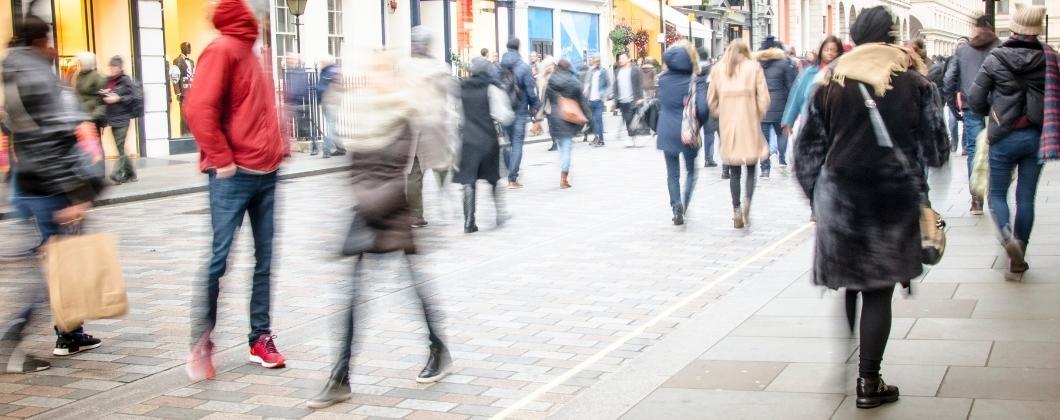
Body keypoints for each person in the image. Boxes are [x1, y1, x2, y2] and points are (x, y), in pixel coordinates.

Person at [795, 6, 949, 409]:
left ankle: (851, 357)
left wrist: (818, 196)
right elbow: (936, 150)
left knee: (851, 282)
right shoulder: (916, 83)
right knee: (878, 291)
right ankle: (868, 380)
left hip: (841, 199)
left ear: (854, 37)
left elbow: (806, 150)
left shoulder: (829, 81)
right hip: (891, 199)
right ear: (892, 35)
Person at [307, 50, 452, 409]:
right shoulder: (363, 114)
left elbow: (397, 171)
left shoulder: (404, 114)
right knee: (354, 297)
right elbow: (355, 167)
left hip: (391, 211)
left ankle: (438, 348)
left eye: (380, 71)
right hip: (367, 211)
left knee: (414, 289)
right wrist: (359, 200)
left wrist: (365, 203)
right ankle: (340, 376)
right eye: (370, 70)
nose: (373, 77)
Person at [183, 0, 289, 380]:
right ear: (247, 14)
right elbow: (198, 109)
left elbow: (260, 110)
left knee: (265, 261)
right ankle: (201, 341)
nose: (263, 18)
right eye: (260, 12)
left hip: (267, 172)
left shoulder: (253, 51)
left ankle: (260, 336)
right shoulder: (223, 49)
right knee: (220, 259)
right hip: (233, 174)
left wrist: (281, 146)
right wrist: (222, 158)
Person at [2, 15, 106, 373]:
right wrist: (76, 195)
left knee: (56, 264)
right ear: (40, 42)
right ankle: (14, 340)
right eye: (49, 42)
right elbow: (52, 142)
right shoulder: (37, 78)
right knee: (55, 271)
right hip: (47, 188)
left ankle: (71, 332)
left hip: (26, 184)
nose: (53, 49)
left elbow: (16, 131)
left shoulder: (13, 72)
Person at [967, 3, 1053, 275]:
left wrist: (989, 115)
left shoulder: (996, 57)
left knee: (996, 195)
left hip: (1004, 135)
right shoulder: (1050, 57)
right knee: (1026, 198)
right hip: (1036, 136)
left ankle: (1006, 238)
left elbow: (975, 99)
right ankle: (1021, 250)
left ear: (1014, 27)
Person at [708, 39, 770, 229]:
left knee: (734, 170)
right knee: (751, 167)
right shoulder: (754, 67)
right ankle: (748, 202)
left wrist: (722, 112)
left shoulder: (719, 69)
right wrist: (757, 114)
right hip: (749, 122)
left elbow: (711, 100)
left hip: (729, 125)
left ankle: (736, 209)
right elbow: (764, 98)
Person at [945, 15, 1000, 215]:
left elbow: (949, 80)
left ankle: (976, 199)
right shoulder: (1000, 48)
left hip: (971, 106)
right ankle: (996, 195)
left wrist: (953, 107)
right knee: (995, 148)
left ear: (974, 29)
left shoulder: (963, 51)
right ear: (991, 28)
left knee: (973, 149)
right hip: (997, 107)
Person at [455, 57, 515, 233]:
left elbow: (458, 115)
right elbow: (504, 115)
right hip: (487, 139)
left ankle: (468, 221)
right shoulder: (492, 88)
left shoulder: (462, 87)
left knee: (468, 181)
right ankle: (500, 214)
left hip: (467, 140)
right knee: (493, 177)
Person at [405, 26, 456, 229]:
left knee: (414, 172)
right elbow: (451, 92)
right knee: (442, 163)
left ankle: (415, 215)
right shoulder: (439, 68)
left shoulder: (403, 67)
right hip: (435, 125)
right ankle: (446, 196)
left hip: (412, 125)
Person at [657, 41, 706, 226]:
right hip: (688, 131)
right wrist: (700, 123)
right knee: (691, 171)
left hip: (666, 130)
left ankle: (675, 204)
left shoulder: (662, 80)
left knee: (672, 174)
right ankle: (684, 204)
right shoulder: (695, 80)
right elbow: (703, 108)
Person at [780, 36, 845, 137]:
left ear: (839, 52)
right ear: (821, 51)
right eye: (826, 50)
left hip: (836, 127)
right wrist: (789, 121)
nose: (830, 53)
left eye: (833, 50)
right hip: (810, 125)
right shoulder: (810, 72)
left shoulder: (844, 73)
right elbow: (797, 97)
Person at [500, 38, 540, 189]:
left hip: (504, 110)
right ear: (519, 47)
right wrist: (536, 105)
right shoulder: (523, 67)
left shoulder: (500, 66)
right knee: (517, 144)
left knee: (508, 142)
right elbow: (531, 91)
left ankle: (509, 164)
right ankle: (512, 178)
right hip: (519, 110)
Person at [756, 37, 797, 178]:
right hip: (780, 105)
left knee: (763, 139)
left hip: (762, 105)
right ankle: (782, 159)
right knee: (781, 134)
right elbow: (790, 86)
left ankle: (765, 169)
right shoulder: (784, 63)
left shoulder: (758, 64)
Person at [546, 59, 589, 189]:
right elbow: (582, 102)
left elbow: (546, 99)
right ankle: (563, 178)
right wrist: (589, 118)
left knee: (562, 146)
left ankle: (564, 166)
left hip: (554, 117)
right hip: (569, 118)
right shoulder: (574, 82)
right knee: (566, 148)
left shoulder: (551, 81)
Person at [103, 55, 140, 184]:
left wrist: (118, 98)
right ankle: (131, 173)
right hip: (112, 118)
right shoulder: (109, 81)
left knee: (119, 146)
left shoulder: (125, 80)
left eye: (115, 67)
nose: (112, 70)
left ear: (120, 68)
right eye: (111, 67)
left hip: (123, 118)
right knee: (120, 148)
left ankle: (116, 174)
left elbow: (132, 97)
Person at [316, 55, 347, 159]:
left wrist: (320, 97)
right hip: (328, 102)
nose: (321, 64)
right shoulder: (326, 71)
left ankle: (326, 150)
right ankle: (341, 148)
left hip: (330, 102)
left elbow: (322, 87)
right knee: (332, 126)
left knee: (330, 127)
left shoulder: (331, 71)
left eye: (322, 62)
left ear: (326, 62)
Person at [284, 53, 316, 154]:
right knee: (287, 126)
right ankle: (287, 149)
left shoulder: (301, 72)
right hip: (292, 103)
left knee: (304, 127)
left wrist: (305, 100)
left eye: (291, 59)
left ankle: (314, 146)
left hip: (301, 103)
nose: (289, 61)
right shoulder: (289, 71)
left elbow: (303, 87)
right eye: (288, 59)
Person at [613, 52, 643, 146]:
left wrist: (640, 97)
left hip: (633, 99)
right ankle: (632, 136)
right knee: (627, 119)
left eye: (623, 58)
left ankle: (633, 137)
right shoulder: (617, 71)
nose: (620, 60)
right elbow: (616, 86)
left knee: (632, 118)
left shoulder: (635, 70)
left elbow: (639, 84)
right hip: (622, 100)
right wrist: (615, 99)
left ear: (628, 59)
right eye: (620, 59)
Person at [581, 55, 611, 147]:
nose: (595, 61)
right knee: (594, 121)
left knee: (598, 119)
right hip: (591, 100)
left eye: (597, 60)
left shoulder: (603, 71)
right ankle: (598, 138)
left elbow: (609, 85)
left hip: (599, 100)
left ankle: (599, 139)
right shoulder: (590, 71)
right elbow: (587, 82)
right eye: (593, 60)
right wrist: (585, 90)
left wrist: (604, 95)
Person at [74, 52, 106, 136]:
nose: (79, 64)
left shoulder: (96, 77)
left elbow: (103, 100)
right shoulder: (79, 75)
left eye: (81, 62)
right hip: (81, 116)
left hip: (92, 117)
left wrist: (94, 116)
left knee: (94, 144)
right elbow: (77, 94)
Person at [697, 46, 719, 168]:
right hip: (709, 104)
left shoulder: (692, 70)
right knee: (709, 132)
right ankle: (708, 158)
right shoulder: (712, 70)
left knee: (692, 131)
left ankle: (691, 155)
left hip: (694, 105)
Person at [535, 57, 558, 151]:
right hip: (547, 106)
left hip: (556, 105)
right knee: (551, 125)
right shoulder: (542, 78)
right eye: (547, 65)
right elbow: (540, 92)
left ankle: (559, 142)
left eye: (551, 65)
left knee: (556, 125)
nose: (549, 67)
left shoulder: (557, 75)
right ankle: (555, 142)